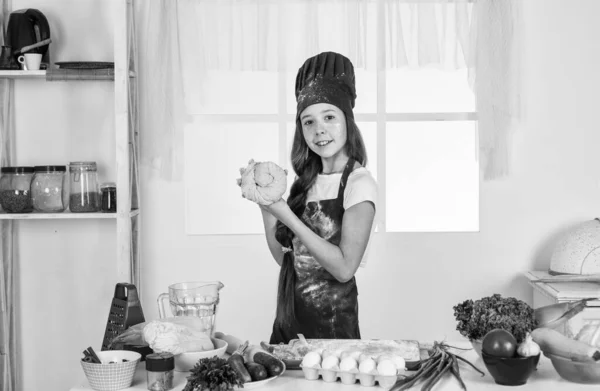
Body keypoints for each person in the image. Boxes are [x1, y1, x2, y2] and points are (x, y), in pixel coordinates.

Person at [240, 52, 378, 344]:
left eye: (329, 117)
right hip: (288, 329)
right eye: (308, 121)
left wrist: (285, 213)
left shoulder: (358, 183)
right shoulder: (306, 182)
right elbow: (286, 259)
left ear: (347, 121)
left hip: (333, 335)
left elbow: (343, 269)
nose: (319, 130)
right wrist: (265, 207)